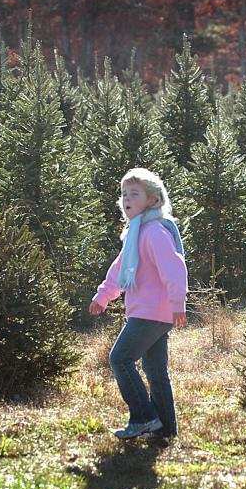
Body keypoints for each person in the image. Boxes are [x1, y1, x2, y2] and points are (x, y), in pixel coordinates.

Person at [90, 167, 188, 440]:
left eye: (134, 194)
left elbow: (174, 269)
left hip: (152, 312)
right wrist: (103, 296)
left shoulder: (154, 232)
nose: (126, 199)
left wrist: (178, 302)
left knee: (120, 358)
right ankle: (166, 429)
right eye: (123, 194)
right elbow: (119, 270)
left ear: (153, 201)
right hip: (150, 311)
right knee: (155, 371)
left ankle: (144, 417)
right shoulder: (136, 233)